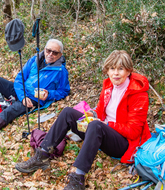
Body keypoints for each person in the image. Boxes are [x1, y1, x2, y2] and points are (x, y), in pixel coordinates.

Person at [15, 50, 151, 189]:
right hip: (101, 130)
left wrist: (106, 124)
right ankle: (42, 155)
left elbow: (134, 131)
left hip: (123, 144)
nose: (116, 73)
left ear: (129, 71)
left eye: (120, 69)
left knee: (96, 126)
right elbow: (100, 110)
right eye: (112, 68)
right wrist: (93, 114)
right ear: (107, 71)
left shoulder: (138, 95)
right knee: (68, 112)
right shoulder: (109, 86)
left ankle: (78, 178)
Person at [0, 39, 70, 152]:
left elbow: (64, 91)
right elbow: (20, 78)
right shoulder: (34, 59)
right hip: (21, 92)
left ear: (60, 54)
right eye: (48, 50)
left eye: (55, 52)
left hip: (34, 99)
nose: (50, 54)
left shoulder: (61, 71)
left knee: (7, 113)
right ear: (44, 49)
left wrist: (50, 94)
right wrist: (22, 96)